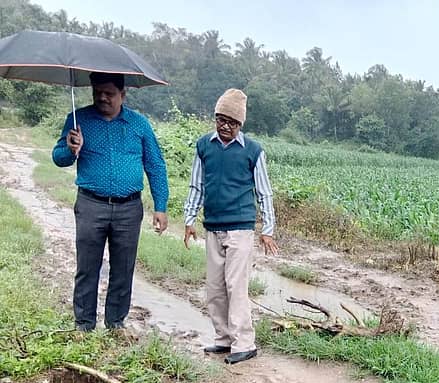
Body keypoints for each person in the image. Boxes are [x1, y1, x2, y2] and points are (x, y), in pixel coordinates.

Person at [52, 71, 169, 332]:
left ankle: (115, 323)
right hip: (91, 205)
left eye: (109, 93)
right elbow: (58, 158)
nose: (103, 98)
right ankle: (84, 324)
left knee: (123, 268)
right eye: (98, 92)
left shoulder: (139, 124)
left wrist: (160, 206)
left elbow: (156, 165)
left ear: (122, 94)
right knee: (87, 267)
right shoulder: (78, 119)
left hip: (129, 208)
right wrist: (70, 149)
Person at [183, 88, 277, 365]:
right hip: (213, 226)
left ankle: (244, 343)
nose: (225, 127)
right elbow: (197, 186)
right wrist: (189, 220)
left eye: (232, 123)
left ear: (240, 124)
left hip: (240, 228)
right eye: (221, 120)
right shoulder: (204, 146)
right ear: (215, 118)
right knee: (215, 287)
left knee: (236, 286)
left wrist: (267, 229)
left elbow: (264, 192)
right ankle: (224, 338)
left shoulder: (253, 151)